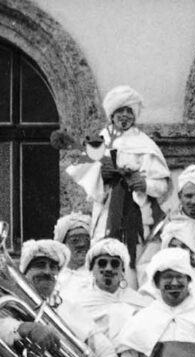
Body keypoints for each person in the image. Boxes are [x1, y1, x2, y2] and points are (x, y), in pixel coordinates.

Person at [66, 85, 171, 265]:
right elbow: (86, 180)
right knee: (104, 255)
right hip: (106, 214)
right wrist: (101, 175)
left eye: (129, 111)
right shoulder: (100, 141)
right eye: (120, 111)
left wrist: (144, 184)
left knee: (135, 261)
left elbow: (162, 186)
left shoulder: (145, 144)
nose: (125, 115)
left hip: (138, 215)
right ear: (112, 114)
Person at [53, 213, 93, 301]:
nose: (82, 244)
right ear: (63, 245)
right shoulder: (54, 277)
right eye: (75, 240)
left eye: (87, 240)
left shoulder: (97, 276)